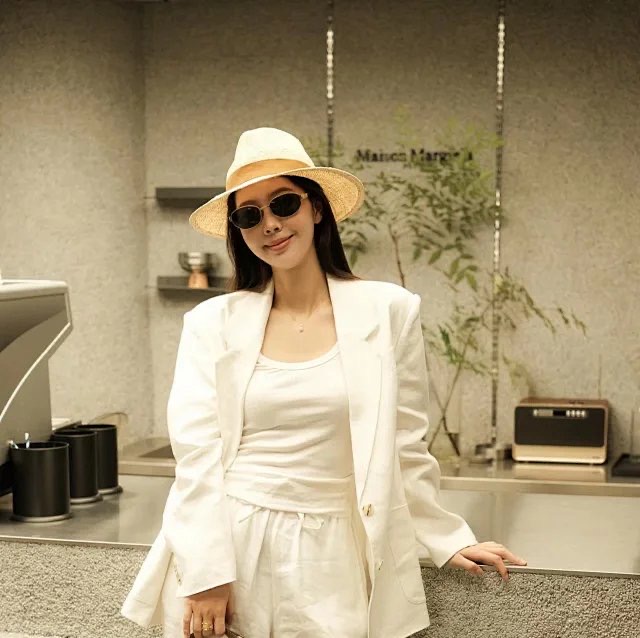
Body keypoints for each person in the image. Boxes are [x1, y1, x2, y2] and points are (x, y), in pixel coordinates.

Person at [121, 126, 526, 638]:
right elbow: (196, 456)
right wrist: (207, 573)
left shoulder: (389, 311)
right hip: (232, 548)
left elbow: (403, 444)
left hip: (335, 551)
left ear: (315, 208)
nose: (270, 224)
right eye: (250, 215)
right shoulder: (211, 323)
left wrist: (447, 537)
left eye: (283, 203)